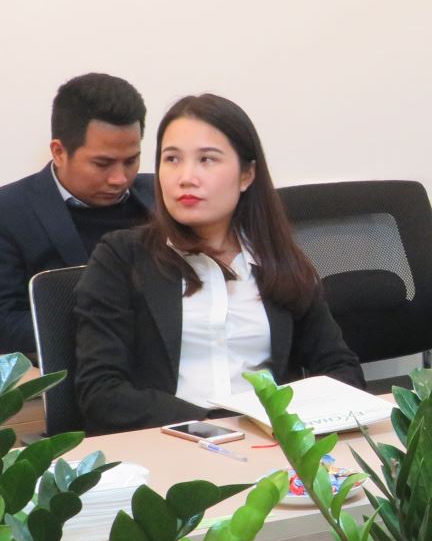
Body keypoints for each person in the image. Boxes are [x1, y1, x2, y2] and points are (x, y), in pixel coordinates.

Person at [74, 94, 363, 434]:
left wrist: (286, 419)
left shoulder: (277, 260)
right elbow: (101, 392)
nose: (186, 177)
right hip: (168, 441)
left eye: (207, 160)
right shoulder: (122, 257)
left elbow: (341, 369)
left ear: (247, 175)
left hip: (268, 441)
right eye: (172, 159)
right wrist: (212, 425)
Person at [0, 73, 156, 355]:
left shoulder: (163, 197)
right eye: (102, 164)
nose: (120, 178)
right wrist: (112, 325)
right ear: (59, 152)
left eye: (131, 160)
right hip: (70, 371)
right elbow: (6, 325)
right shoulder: (9, 212)